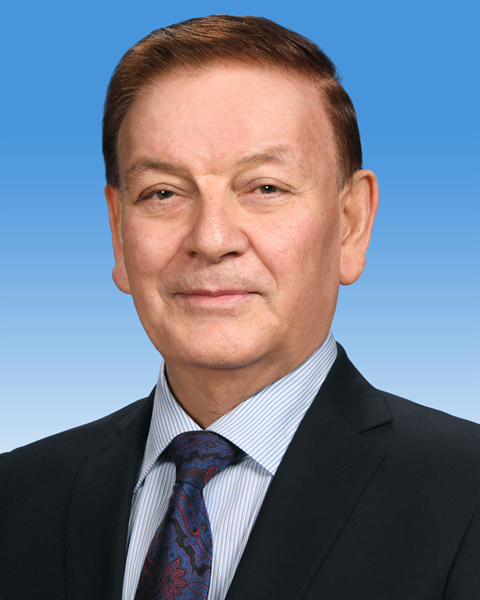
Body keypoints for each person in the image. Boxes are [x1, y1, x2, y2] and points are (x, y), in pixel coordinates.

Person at [0, 15, 479, 600]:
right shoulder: (16, 496)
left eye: (265, 187)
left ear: (351, 223)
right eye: (163, 193)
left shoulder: (466, 493)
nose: (211, 238)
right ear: (118, 230)